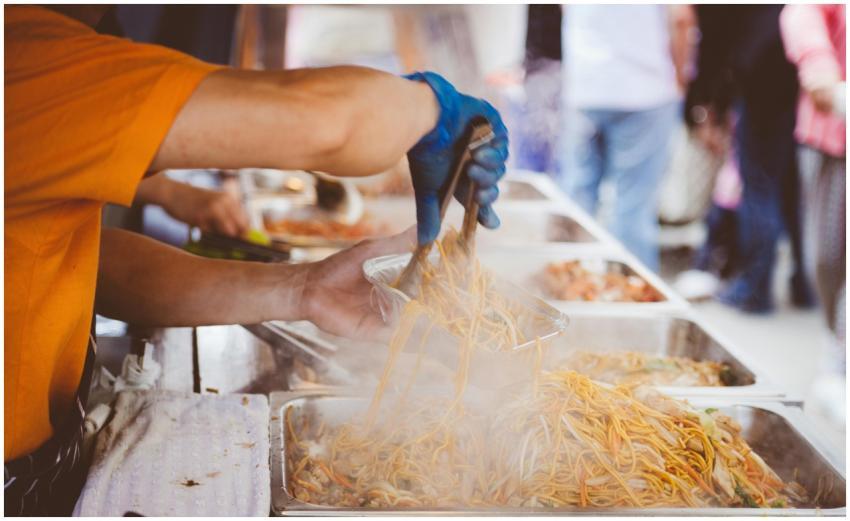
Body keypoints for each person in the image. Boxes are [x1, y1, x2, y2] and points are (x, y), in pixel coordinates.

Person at [5, 5, 509, 514]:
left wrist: (303, 290)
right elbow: (328, 121)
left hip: (44, 467)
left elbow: (88, 265)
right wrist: (433, 108)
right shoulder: (25, 55)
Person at [685, 5, 812, 313]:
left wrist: (701, 101)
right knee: (787, 186)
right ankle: (802, 284)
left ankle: (755, 288)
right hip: (790, 79)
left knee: (759, 188)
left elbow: (715, 37)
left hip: (763, 81)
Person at [557, 5, 691, 271]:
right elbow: (681, 18)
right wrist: (680, 78)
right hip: (645, 90)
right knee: (633, 208)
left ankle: (567, 282)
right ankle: (628, 292)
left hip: (585, 87)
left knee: (576, 199)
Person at [780, 4, 846, 423]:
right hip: (834, 134)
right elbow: (802, 11)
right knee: (827, 256)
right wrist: (820, 65)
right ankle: (833, 346)